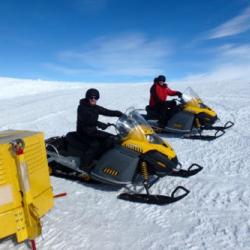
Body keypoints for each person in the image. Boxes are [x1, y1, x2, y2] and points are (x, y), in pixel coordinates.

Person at [76, 88, 123, 173]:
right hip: (83, 132)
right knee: (95, 144)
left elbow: (106, 111)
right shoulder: (82, 107)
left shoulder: (95, 107)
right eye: (91, 97)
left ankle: (100, 158)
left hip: (92, 131)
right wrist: (99, 124)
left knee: (111, 138)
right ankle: (84, 165)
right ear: (87, 97)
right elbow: (87, 120)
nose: (93, 99)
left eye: (96, 97)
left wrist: (118, 113)